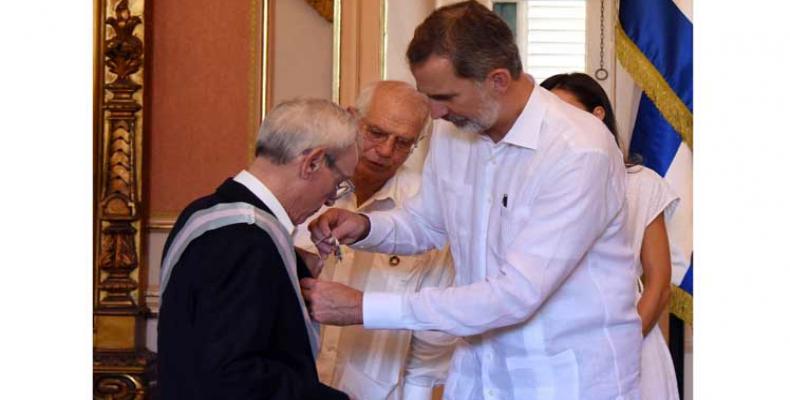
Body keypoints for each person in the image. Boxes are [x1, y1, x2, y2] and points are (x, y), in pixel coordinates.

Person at [300, 2, 642, 399]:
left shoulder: (579, 150)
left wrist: (365, 308)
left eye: (445, 97)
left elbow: (515, 293)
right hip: (477, 373)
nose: (435, 112)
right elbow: (427, 222)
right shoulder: (453, 131)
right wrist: (365, 227)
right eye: (428, 96)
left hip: (564, 379)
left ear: (497, 79)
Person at [157, 98, 357, 399]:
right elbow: (234, 377)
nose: (331, 199)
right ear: (312, 162)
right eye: (339, 181)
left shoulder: (204, 211)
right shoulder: (246, 239)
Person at [293, 81, 456, 400]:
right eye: (377, 133)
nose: (385, 151)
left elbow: (431, 345)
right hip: (294, 386)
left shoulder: (428, 208)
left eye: (403, 142)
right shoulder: (304, 187)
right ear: (352, 119)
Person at [541, 71, 680, 400]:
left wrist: (623, 344)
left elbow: (659, 284)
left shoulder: (640, 183)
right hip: (552, 343)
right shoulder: (535, 182)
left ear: (597, 115)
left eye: (565, 113)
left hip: (629, 333)